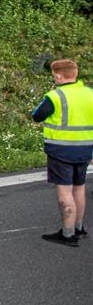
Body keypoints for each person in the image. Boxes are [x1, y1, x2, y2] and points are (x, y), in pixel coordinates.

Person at [31, 59, 93, 247]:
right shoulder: (90, 94)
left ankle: (67, 233)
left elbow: (37, 115)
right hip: (85, 147)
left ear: (58, 75)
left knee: (64, 191)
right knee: (79, 188)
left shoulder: (55, 96)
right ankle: (79, 227)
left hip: (61, 150)